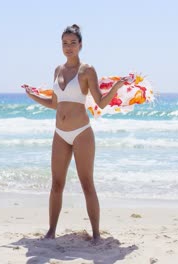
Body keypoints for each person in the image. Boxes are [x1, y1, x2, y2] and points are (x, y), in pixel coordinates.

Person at [25, 24, 129, 243]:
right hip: (60, 133)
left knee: (87, 184)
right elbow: (55, 104)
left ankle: (96, 234)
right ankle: (51, 231)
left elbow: (99, 102)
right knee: (56, 184)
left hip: (82, 133)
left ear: (80, 45)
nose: (68, 47)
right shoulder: (58, 70)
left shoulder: (87, 70)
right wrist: (33, 96)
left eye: (73, 43)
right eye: (65, 43)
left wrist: (116, 88)